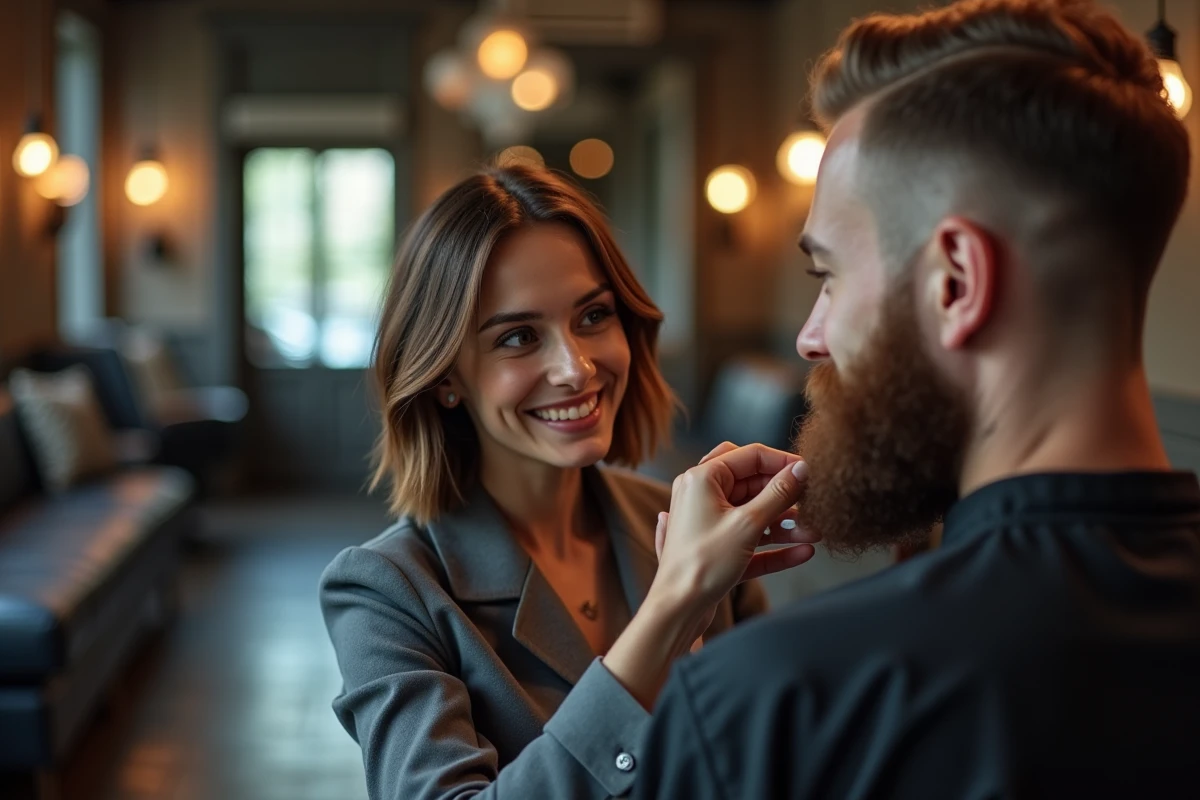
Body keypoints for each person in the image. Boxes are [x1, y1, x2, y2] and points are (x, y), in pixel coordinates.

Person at [634, 0, 1200, 797]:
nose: (809, 335)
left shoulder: (780, 707)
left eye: (827, 276)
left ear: (956, 283)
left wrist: (701, 701)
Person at [319, 166, 819, 800]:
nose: (576, 368)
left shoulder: (694, 523)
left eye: (593, 316)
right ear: (445, 376)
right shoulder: (387, 591)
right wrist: (673, 610)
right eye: (520, 336)